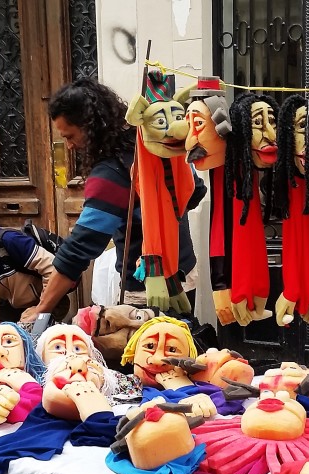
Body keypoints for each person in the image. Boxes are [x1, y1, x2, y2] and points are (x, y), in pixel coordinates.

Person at [19, 78, 203, 323]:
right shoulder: (159, 146)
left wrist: (42, 308)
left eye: (70, 136)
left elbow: (79, 249)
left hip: (146, 291)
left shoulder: (111, 174)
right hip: (184, 273)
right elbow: (196, 192)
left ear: (91, 126)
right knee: (183, 346)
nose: (70, 146)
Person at [0, 202, 69, 322]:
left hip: (48, 303)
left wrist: (41, 308)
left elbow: (54, 268)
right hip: (14, 309)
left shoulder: (8, 240)